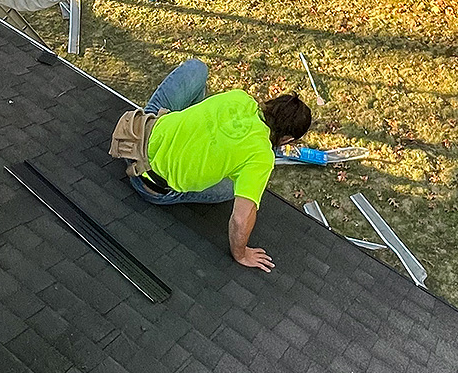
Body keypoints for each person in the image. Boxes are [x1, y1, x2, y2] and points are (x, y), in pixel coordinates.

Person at [118, 58, 312, 272]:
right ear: (286, 139)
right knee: (237, 187)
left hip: (136, 134)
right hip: (149, 185)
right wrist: (241, 254)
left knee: (197, 68)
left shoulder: (239, 97)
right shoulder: (261, 157)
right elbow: (240, 219)